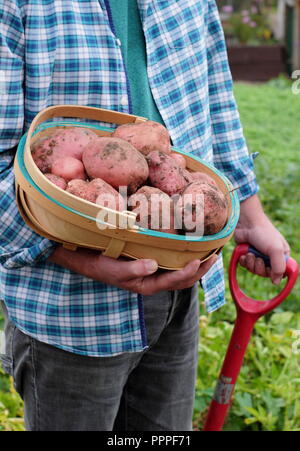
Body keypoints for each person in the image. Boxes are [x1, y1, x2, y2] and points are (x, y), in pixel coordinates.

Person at [0, 0, 290, 431]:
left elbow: (214, 98)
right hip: (70, 310)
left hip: (177, 287)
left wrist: (250, 215)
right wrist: (71, 254)